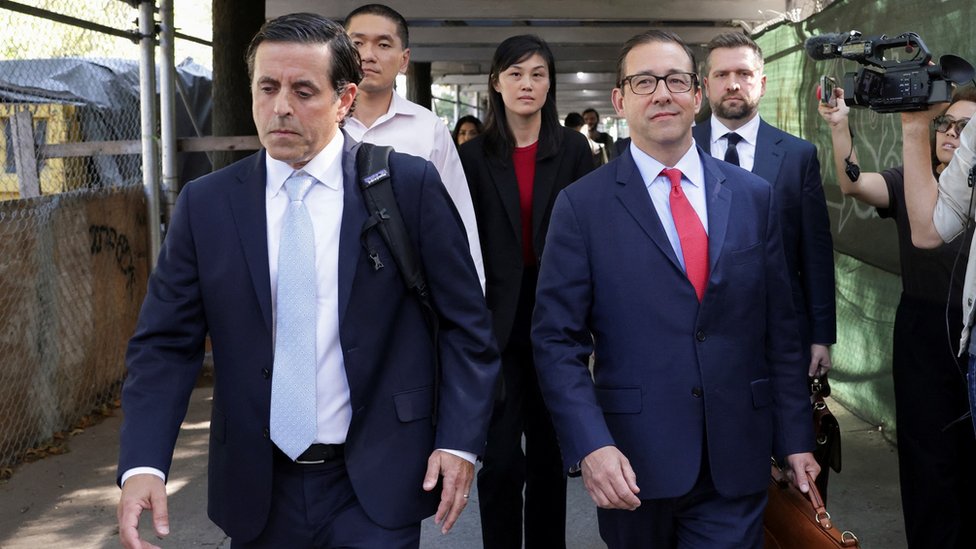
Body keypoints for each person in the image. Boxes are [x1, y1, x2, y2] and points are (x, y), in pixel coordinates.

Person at [115, 13, 500, 548]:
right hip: (256, 487)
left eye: (303, 90)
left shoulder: (407, 188)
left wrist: (460, 442)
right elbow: (164, 345)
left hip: (375, 482)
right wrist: (143, 464)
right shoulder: (208, 205)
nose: (281, 107)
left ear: (344, 100)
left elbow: (466, 327)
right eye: (267, 88)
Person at [532, 30, 819, 548]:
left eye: (675, 80)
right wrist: (590, 445)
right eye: (644, 81)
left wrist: (795, 438)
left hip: (736, 457)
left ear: (696, 95)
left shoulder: (755, 197)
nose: (662, 93)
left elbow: (781, 329)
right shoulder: (582, 206)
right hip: (630, 463)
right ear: (620, 100)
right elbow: (556, 341)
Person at [459, 35, 594, 549]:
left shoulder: (573, 148)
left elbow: (589, 236)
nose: (527, 84)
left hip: (555, 319)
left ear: (550, 84)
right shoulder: (472, 157)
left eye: (538, 74)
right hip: (493, 323)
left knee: (546, 458)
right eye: (515, 74)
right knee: (498, 461)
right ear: (496, 82)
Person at [858, 86, 976, 549]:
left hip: (959, 329)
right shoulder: (918, 178)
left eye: (964, 128)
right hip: (933, 328)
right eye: (948, 125)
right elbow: (926, 228)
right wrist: (843, 128)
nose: (954, 134)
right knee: (931, 455)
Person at [695, 32, 836, 383]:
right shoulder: (680, 149)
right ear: (704, 86)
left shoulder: (797, 155)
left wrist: (821, 336)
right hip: (698, 329)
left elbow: (815, 252)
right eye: (721, 75)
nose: (733, 85)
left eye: (743, 74)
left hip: (779, 330)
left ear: (762, 82)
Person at [342, 4, 485, 291]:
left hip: (408, 287)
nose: (367, 55)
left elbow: (458, 215)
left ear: (404, 59)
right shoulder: (320, 125)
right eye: (357, 43)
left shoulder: (428, 128)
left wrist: (473, 292)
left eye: (383, 44)